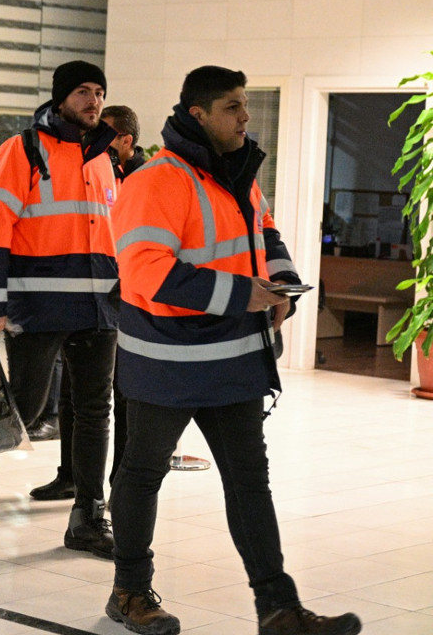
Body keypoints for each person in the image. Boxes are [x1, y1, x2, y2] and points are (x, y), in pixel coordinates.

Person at [106, 66, 361, 635]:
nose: (245, 117)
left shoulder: (238, 175)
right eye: (232, 107)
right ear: (196, 114)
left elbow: (264, 234)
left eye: (244, 105)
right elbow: (146, 273)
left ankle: (278, 608)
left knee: (250, 482)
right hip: (166, 365)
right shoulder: (154, 181)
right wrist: (243, 292)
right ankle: (129, 591)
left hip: (234, 359)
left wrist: (283, 283)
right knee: (142, 474)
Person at [0, 60, 120, 560]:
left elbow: (114, 233)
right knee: (25, 408)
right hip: (39, 305)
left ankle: (88, 516)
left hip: (100, 308)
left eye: (98, 92)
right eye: (82, 91)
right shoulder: (22, 149)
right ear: (59, 98)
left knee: (96, 411)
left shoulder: (103, 158)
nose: (93, 100)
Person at [30, 103, 146, 503]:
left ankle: (118, 485)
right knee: (73, 396)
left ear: (126, 141)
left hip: (128, 306)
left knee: (120, 400)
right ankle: (70, 476)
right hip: (90, 300)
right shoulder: (94, 168)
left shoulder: (142, 179)